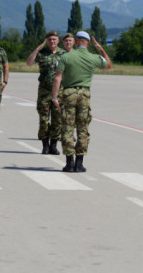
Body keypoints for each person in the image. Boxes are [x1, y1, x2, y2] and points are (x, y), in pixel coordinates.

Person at [52, 31, 112, 172]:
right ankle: (79, 163)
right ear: (88, 42)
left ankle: (69, 163)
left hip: (69, 93)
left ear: (76, 41)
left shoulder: (65, 57)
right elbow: (108, 64)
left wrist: (55, 97)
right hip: (84, 94)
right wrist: (101, 48)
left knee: (67, 127)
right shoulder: (93, 58)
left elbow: (57, 78)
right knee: (82, 128)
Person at [26, 31, 64, 155]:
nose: (52, 41)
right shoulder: (42, 53)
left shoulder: (64, 54)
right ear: (46, 41)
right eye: (49, 39)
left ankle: (53, 145)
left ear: (58, 40)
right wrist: (37, 49)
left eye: (54, 39)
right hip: (44, 91)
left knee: (57, 120)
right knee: (43, 119)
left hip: (59, 92)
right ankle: (45, 145)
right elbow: (29, 63)